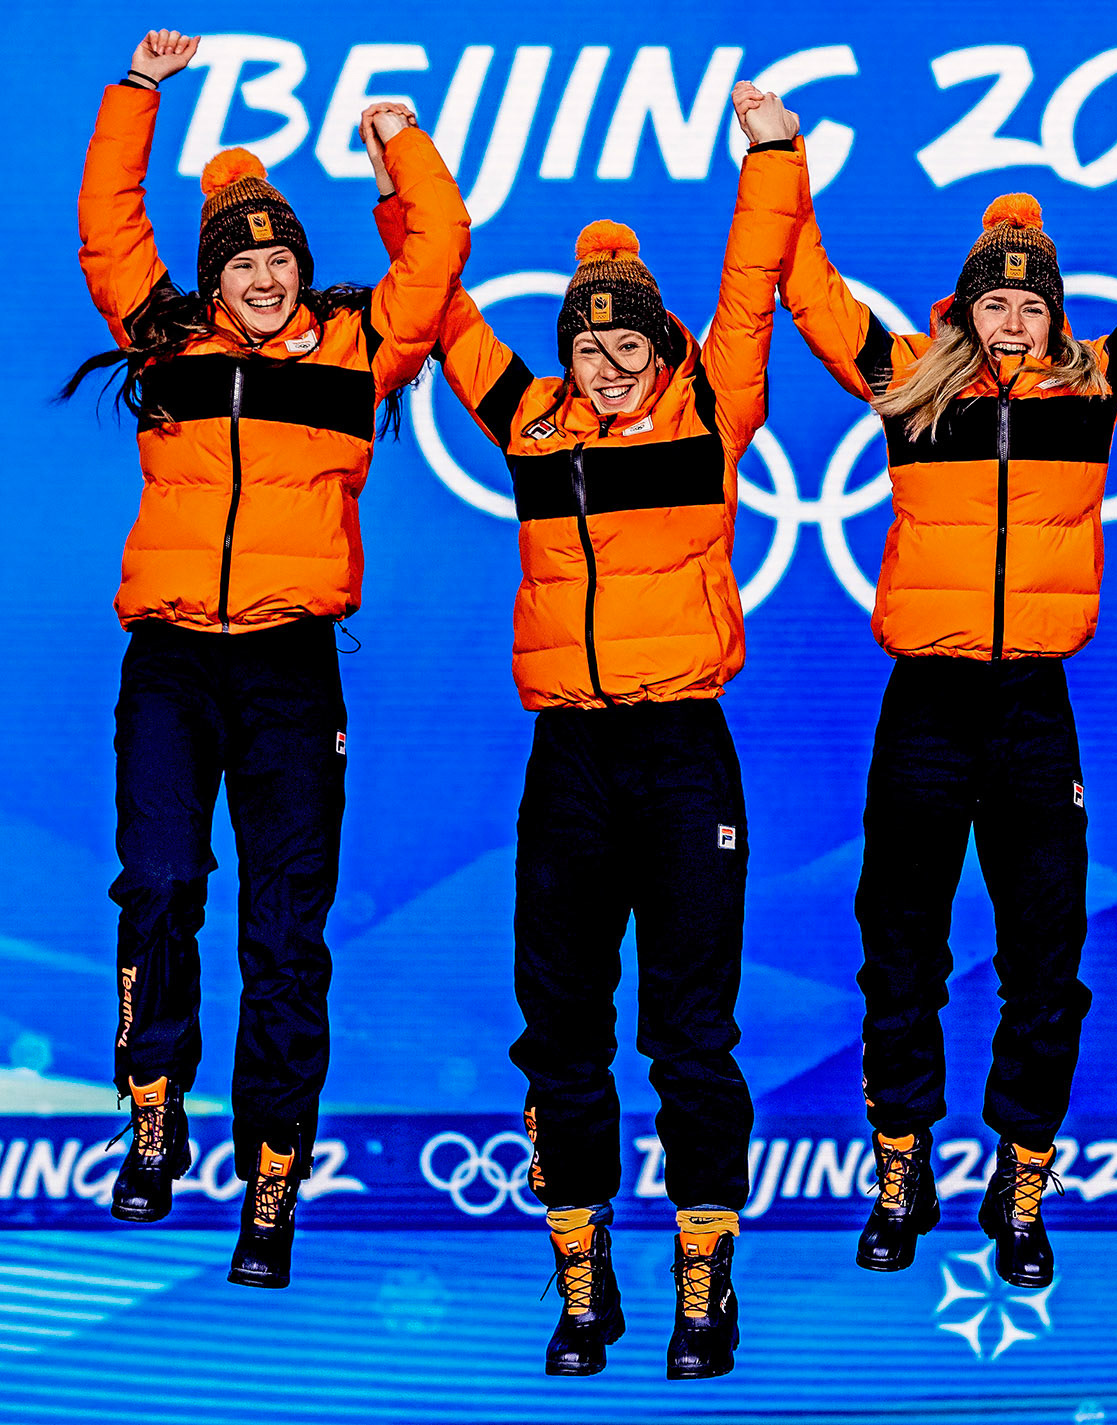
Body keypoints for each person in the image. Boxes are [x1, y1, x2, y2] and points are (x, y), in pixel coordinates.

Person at [774, 101, 1117, 1287]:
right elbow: (805, 290)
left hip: (1036, 712)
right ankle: (901, 1171)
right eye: (992, 299)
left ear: (1053, 315)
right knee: (900, 946)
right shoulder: (905, 382)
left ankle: (1022, 1178)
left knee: (1049, 956)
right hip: (925, 708)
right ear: (964, 307)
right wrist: (776, 155)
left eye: (1028, 301)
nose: (1009, 317)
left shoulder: (1092, 392)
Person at [366, 82, 805, 1379]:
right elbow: (438, 307)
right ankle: (582, 1283)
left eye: (629, 347)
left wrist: (771, 152)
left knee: (692, 1029)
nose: (609, 366)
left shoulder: (714, 408)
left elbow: (750, 276)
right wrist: (400, 161)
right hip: (569, 760)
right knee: (559, 1026)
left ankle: (705, 1289)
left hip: (682, 755)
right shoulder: (531, 418)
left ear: (665, 350)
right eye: (589, 347)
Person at [65, 29, 468, 1288]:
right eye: (242, 260)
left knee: (287, 930)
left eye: (282, 255)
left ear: (303, 264)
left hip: (294, 669)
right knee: (160, 887)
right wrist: (136, 90)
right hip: (173, 665)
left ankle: (273, 1183)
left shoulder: (359, 350)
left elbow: (439, 254)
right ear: (214, 277)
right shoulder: (166, 340)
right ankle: (151, 1109)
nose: (265, 275)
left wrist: (399, 147)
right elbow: (108, 224)